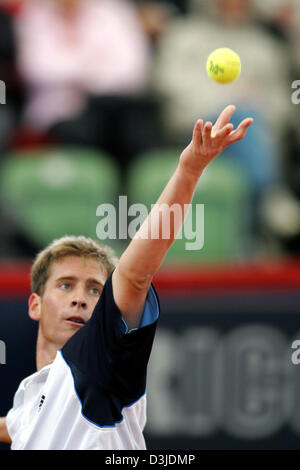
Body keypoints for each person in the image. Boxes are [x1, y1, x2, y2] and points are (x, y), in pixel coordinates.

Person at [0, 105, 253, 450]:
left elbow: (135, 276)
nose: (80, 298)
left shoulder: (100, 357)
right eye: (65, 285)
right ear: (35, 304)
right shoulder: (29, 400)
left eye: (94, 290)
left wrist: (189, 171)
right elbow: (18, 426)